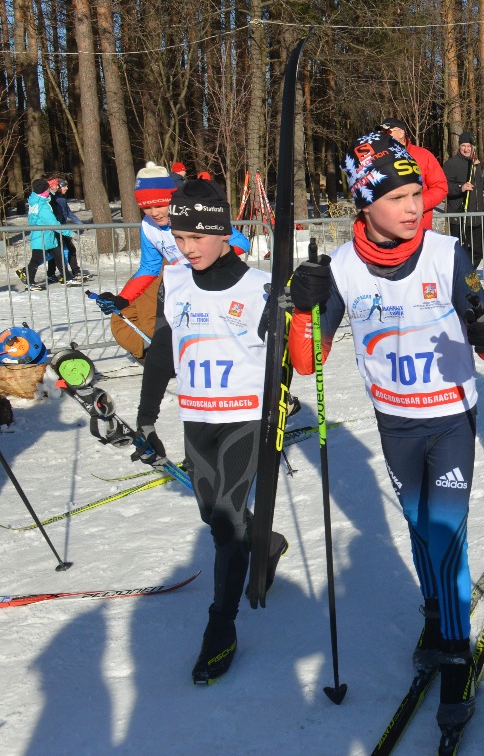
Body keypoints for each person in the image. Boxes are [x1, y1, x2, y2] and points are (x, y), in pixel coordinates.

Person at [286, 129, 484, 737]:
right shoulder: (339, 269)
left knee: (445, 531)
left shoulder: (446, 252)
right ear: (365, 202)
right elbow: (308, 362)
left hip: (451, 417)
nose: (414, 205)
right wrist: (300, 308)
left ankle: (456, 651)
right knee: (418, 525)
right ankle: (437, 613)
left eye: (417, 192)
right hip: (396, 422)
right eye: (399, 195)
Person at [132, 178, 289, 684]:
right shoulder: (175, 281)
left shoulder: (261, 286)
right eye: (179, 238)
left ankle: (221, 628)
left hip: (245, 417)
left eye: (197, 237)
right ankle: (263, 544)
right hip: (197, 418)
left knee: (224, 520)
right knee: (214, 515)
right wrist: (146, 417)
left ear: (223, 232)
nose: (188, 248)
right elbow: (160, 353)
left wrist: (296, 315)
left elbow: (291, 363)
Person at [93, 162, 251, 360]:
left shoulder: (194, 211)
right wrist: (122, 299)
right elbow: (149, 268)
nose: (154, 212)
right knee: (170, 333)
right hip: (182, 285)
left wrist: (207, 257)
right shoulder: (148, 226)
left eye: (160, 205)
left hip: (215, 279)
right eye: (146, 207)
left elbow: (241, 242)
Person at [379, 118, 449, 227]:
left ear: (401, 132)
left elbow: (440, 187)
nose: (383, 135)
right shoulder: (378, 159)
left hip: (418, 226)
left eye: (387, 132)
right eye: (381, 132)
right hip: (388, 228)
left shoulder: (423, 155)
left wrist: (418, 204)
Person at [443, 132, 484, 268]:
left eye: (469, 146)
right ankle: (463, 280)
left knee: (478, 252)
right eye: (463, 146)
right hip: (459, 216)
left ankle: (468, 277)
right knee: (461, 253)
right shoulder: (451, 164)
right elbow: (444, 187)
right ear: (459, 146)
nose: (466, 149)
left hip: (476, 215)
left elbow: (478, 187)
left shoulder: (476, 165)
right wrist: (461, 187)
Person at [23, 179, 63, 291]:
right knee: (36, 259)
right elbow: (52, 222)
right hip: (42, 236)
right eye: (47, 188)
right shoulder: (41, 204)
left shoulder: (38, 200)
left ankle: (68, 277)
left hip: (46, 235)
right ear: (44, 190)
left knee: (58, 256)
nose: (49, 190)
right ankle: (29, 282)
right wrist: (68, 232)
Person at [47, 178, 89, 282]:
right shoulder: (52, 199)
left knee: (67, 250)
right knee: (58, 252)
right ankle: (57, 274)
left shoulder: (62, 198)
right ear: (59, 187)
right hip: (57, 229)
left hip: (63, 228)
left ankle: (74, 272)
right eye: (64, 186)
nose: (67, 188)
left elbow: (68, 212)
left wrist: (80, 224)